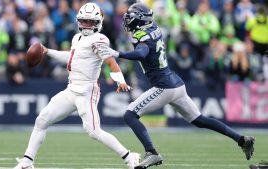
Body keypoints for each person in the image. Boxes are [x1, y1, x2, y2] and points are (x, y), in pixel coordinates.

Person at [93, 3, 255, 169]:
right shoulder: (153, 27)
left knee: (130, 115)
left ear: (140, 20)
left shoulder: (142, 35)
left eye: (131, 17)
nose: (127, 19)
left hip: (164, 87)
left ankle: (152, 153)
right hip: (175, 83)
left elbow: (142, 53)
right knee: (200, 120)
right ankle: (241, 139)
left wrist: (117, 53)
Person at [13, 3, 140, 169]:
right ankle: (27, 163)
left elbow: (110, 61)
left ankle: (130, 156)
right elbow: (72, 58)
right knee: (42, 120)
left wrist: (120, 80)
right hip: (71, 89)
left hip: (87, 92)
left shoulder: (99, 39)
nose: (86, 25)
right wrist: (47, 51)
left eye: (90, 21)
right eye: (84, 21)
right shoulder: (77, 38)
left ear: (98, 23)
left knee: (94, 132)